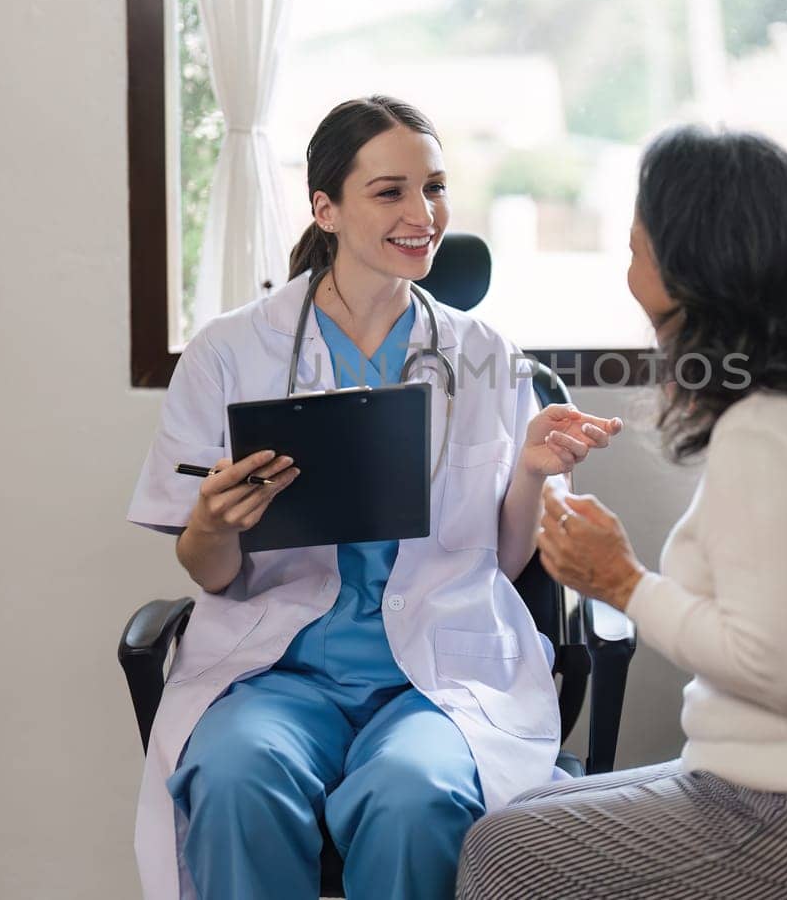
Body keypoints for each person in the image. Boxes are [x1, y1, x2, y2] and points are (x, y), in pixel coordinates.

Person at [127, 95, 623, 900]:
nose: (422, 213)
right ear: (326, 208)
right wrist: (214, 522)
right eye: (390, 191)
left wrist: (530, 469)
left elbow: (501, 560)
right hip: (275, 671)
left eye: (434, 187)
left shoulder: (486, 355)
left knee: (414, 795)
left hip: (438, 671)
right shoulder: (229, 351)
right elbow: (208, 571)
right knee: (236, 777)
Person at [457, 126, 787, 900]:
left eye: (642, 235)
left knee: (502, 855)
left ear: (701, 264)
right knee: (523, 812)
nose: (629, 249)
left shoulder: (768, 433)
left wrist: (621, 581)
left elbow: (786, 673)